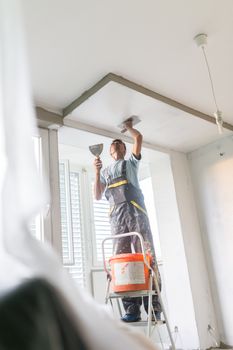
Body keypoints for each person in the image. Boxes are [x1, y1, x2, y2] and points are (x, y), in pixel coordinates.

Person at [93, 120, 161, 323]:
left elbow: (138, 138)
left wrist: (128, 126)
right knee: (122, 263)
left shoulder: (131, 163)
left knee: (147, 257)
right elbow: (97, 196)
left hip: (136, 213)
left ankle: (154, 308)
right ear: (110, 152)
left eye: (120, 142)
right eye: (114, 143)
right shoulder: (105, 172)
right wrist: (96, 171)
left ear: (123, 148)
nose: (116, 143)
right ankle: (132, 310)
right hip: (117, 218)